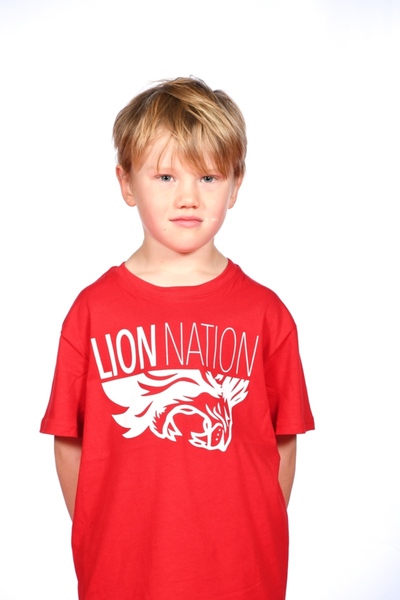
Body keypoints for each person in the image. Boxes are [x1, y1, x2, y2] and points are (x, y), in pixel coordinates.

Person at [40, 76, 315, 600]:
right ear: (126, 183)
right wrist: (107, 534)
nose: (188, 197)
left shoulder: (266, 313)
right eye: (165, 176)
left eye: (208, 177)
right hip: (125, 575)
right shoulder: (92, 312)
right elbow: (69, 442)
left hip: (241, 575)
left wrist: (246, 535)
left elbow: (282, 442)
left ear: (236, 185)